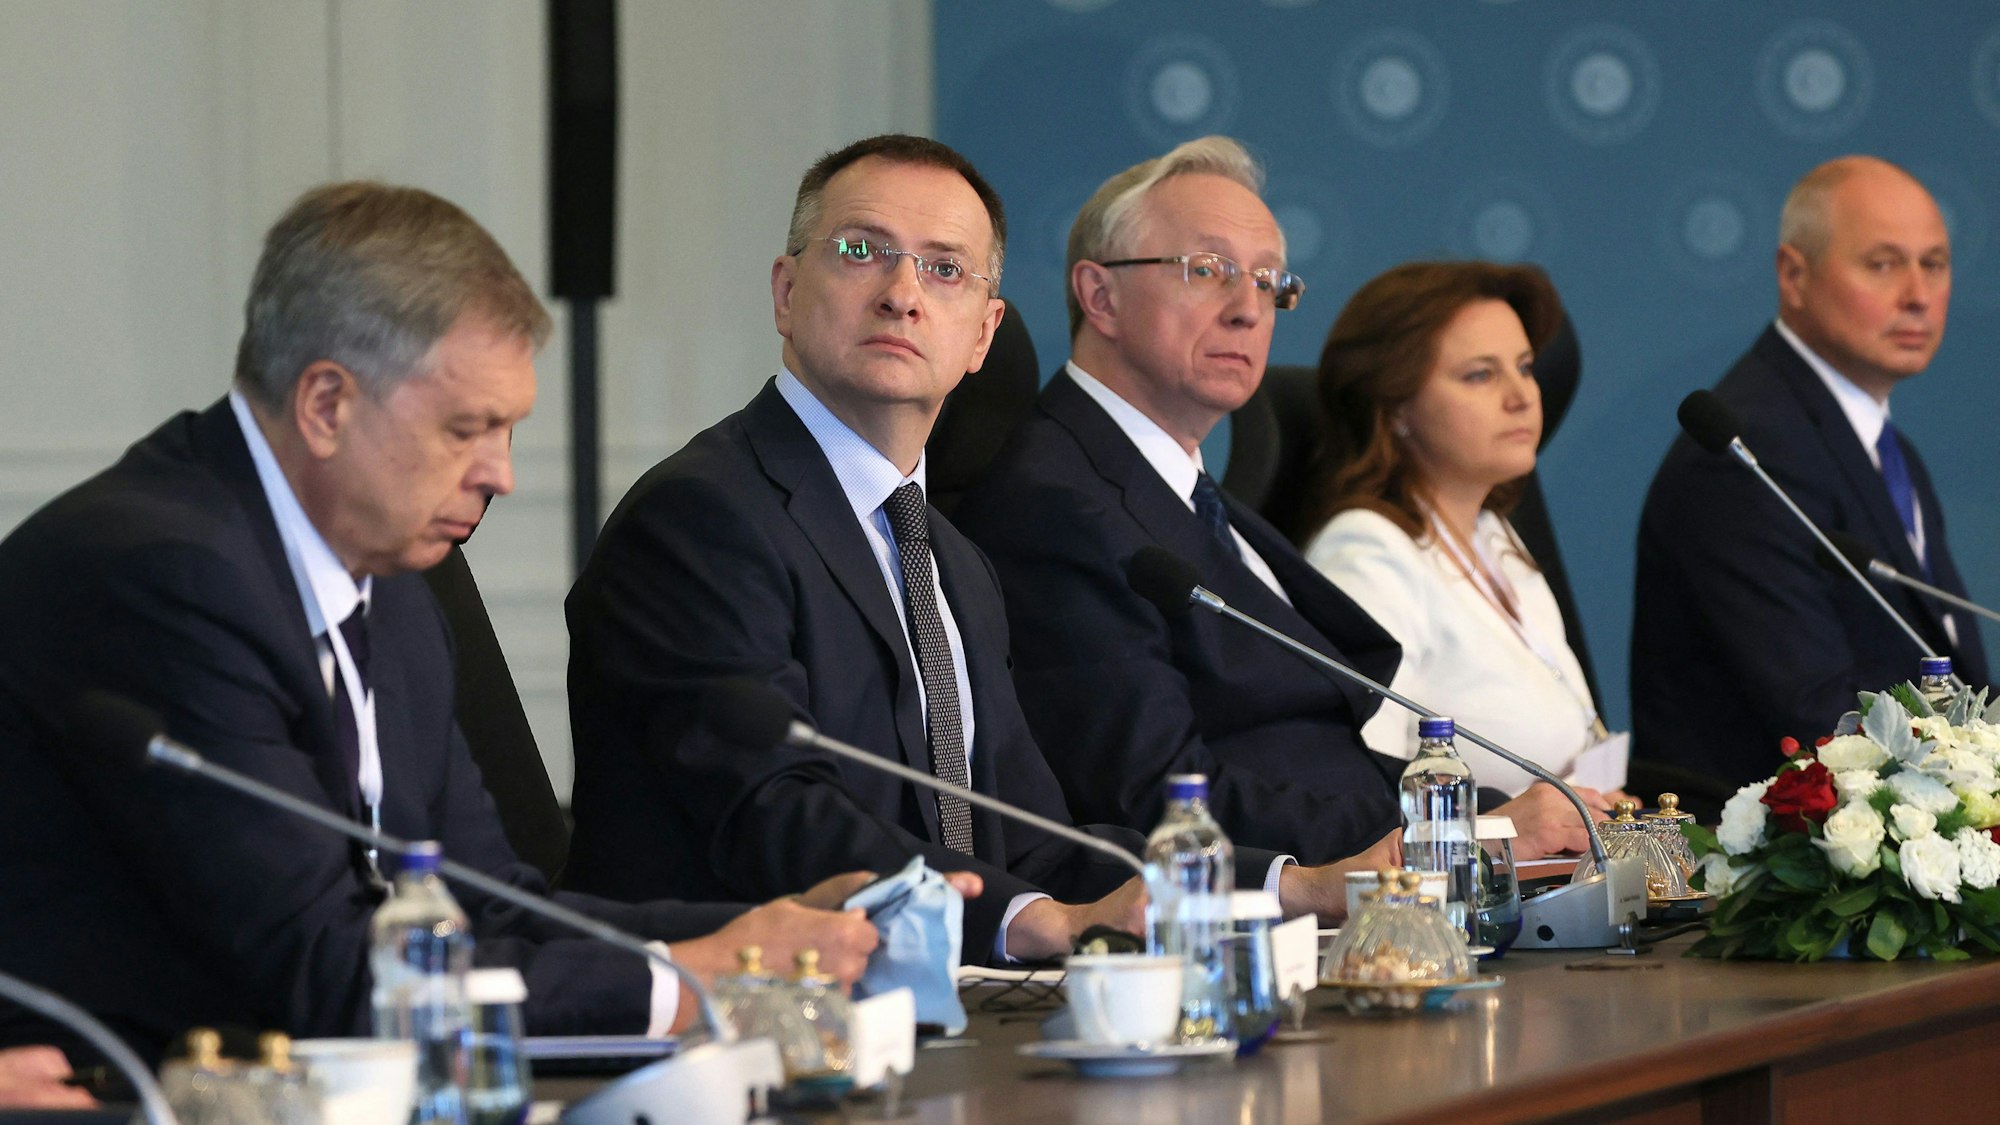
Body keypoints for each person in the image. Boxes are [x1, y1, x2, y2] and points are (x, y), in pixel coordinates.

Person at [0, 182, 876, 1064]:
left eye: (507, 431)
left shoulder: (394, 581)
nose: (500, 475)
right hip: (118, 1085)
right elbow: (326, 971)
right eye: (468, 429)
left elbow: (490, 905)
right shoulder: (163, 575)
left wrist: (764, 936)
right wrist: (687, 976)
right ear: (327, 405)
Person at [565, 135, 1368, 961]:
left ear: (983, 335)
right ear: (785, 291)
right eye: (860, 251)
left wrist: (1294, 885)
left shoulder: (951, 557)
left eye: (944, 269)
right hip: (742, 1021)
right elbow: (777, 813)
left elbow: (1031, 841)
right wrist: (1035, 921)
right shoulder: (700, 518)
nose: (902, 294)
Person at [954, 137, 1600, 863]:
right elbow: (1159, 797)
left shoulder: (1194, 495)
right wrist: (1476, 834)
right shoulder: (1055, 503)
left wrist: (1498, 815)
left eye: (1268, 282)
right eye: (1208, 271)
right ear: (1100, 296)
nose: (1247, 310)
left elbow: (1320, 757)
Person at [1633, 155, 1988, 798]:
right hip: (1763, 878)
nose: (1917, 294)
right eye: (1882, 264)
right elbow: (1818, 714)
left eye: (1933, 263)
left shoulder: (1885, 447)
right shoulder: (1748, 455)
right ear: (1794, 275)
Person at [1291, 262, 1625, 798]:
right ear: (1396, 405)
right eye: (1481, 375)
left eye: (1524, 367)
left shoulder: (1495, 534)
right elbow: (1360, 789)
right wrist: (1512, 827)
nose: (1523, 396)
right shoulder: (1367, 555)